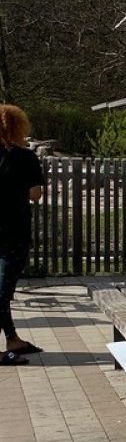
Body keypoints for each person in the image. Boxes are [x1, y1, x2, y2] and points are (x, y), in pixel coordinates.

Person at [0, 104, 44, 365]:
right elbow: (35, 194)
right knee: (3, 292)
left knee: (2, 291)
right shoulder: (26, 158)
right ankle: (7, 349)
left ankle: (13, 339)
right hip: (14, 232)